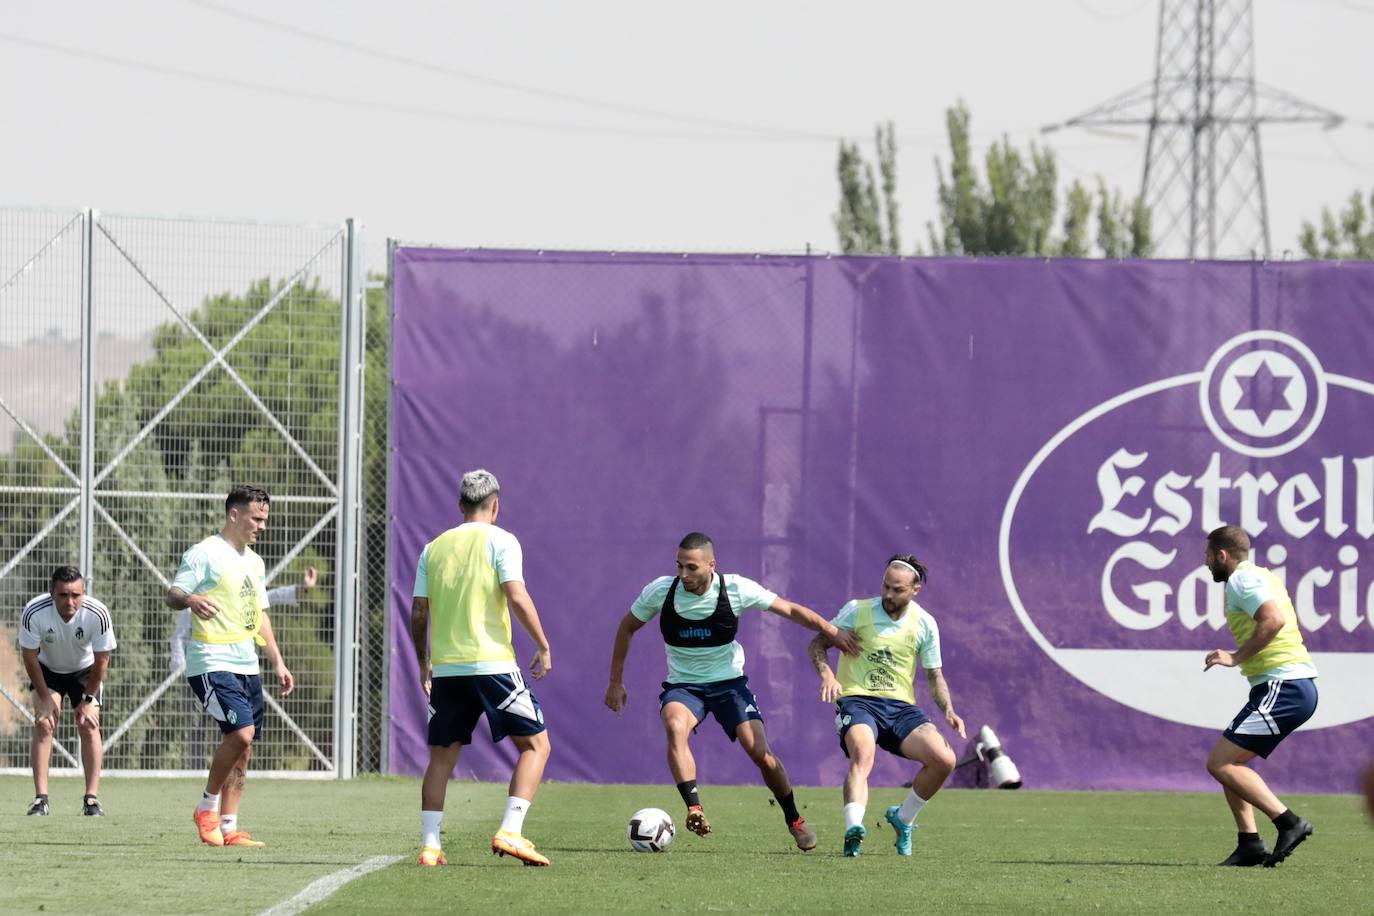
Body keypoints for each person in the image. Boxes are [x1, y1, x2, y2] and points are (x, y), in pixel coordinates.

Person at [605, 531, 860, 851]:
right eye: (679, 566)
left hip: (729, 685)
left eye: (692, 568)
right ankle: (694, 809)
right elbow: (626, 627)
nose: (684, 574)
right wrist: (616, 680)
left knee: (761, 754)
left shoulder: (736, 588)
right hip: (684, 686)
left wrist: (831, 630)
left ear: (711, 565)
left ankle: (795, 820)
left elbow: (790, 609)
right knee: (674, 725)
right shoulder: (661, 591)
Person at [408, 469, 553, 868]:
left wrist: (425, 662)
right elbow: (517, 596)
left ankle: (430, 846)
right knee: (537, 746)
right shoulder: (502, 540)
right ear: (495, 507)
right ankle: (511, 830)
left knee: (441, 756)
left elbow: (419, 610)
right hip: (492, 665)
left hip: (449, 670)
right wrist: (541, 644)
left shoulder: (433, 548)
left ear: (460, 506)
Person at [807, 554, 964, 857]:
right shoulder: (857, 611)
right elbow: (817, 644)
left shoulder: (925, 624)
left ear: (915, 590)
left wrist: (948, 710)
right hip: (857, 700)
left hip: (900, 709)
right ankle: (854, 828)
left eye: (897, 590)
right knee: (863, 753)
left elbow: (935, 676)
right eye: (886, 587)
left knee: (944, 760)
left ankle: (903, 819)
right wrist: (827, 674)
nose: (888, 595)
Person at [166, 485, 294, 849]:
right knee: (242, 734)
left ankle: (229, 826)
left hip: (247, 664)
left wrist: (278, 663)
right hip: (211, 660)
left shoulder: (254, 561)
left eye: (265, 519)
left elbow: (260, 615)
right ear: (234, 514)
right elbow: (173, 594)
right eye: (257, 518)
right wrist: (191, 599)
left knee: (245, 745)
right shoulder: (204, 554)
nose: (262, 526)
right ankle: (205, 808)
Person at [1203, 525, 1319, 868]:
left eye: (1208, 556)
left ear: (1221, 555)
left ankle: (1289, 823)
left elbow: (1273, 620)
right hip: (1285, 686)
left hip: (1287, 687)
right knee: (1230, 764)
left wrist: (1236, 657)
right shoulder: (1260, 575)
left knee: (1220, 763)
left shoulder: (1240, 580)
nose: (1206, 563)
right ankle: (1249, 844)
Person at [19, 566, 116, 817]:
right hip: (48, 670)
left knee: (89, 724)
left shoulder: (98, 613)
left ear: (84, 592)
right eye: (63, 595)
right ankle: (41, 800)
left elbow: (102, 661)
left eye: (75, 595)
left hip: (85, 671)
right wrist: (44, 697)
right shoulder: (34, 612)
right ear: (52, 593)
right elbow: (29, 657)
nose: (69, 601)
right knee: (45, 723)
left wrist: (87, 699)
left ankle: (91, 800)